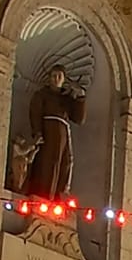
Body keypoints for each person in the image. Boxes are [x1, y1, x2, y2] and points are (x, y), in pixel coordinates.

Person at [21, 65, 86, 198]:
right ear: (49, 78)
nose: (56, 79)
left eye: (59, 76)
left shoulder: (66, 98)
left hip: (64, 136)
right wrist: (37, 132)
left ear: (64, 79)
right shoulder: (42, 95)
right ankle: (44, 195)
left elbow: (79, 119)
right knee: (47, 163)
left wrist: (80, 97)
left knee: (65, 163)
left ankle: (59, 194)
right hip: (48, 133)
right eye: (53, 76)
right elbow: (35, 113)